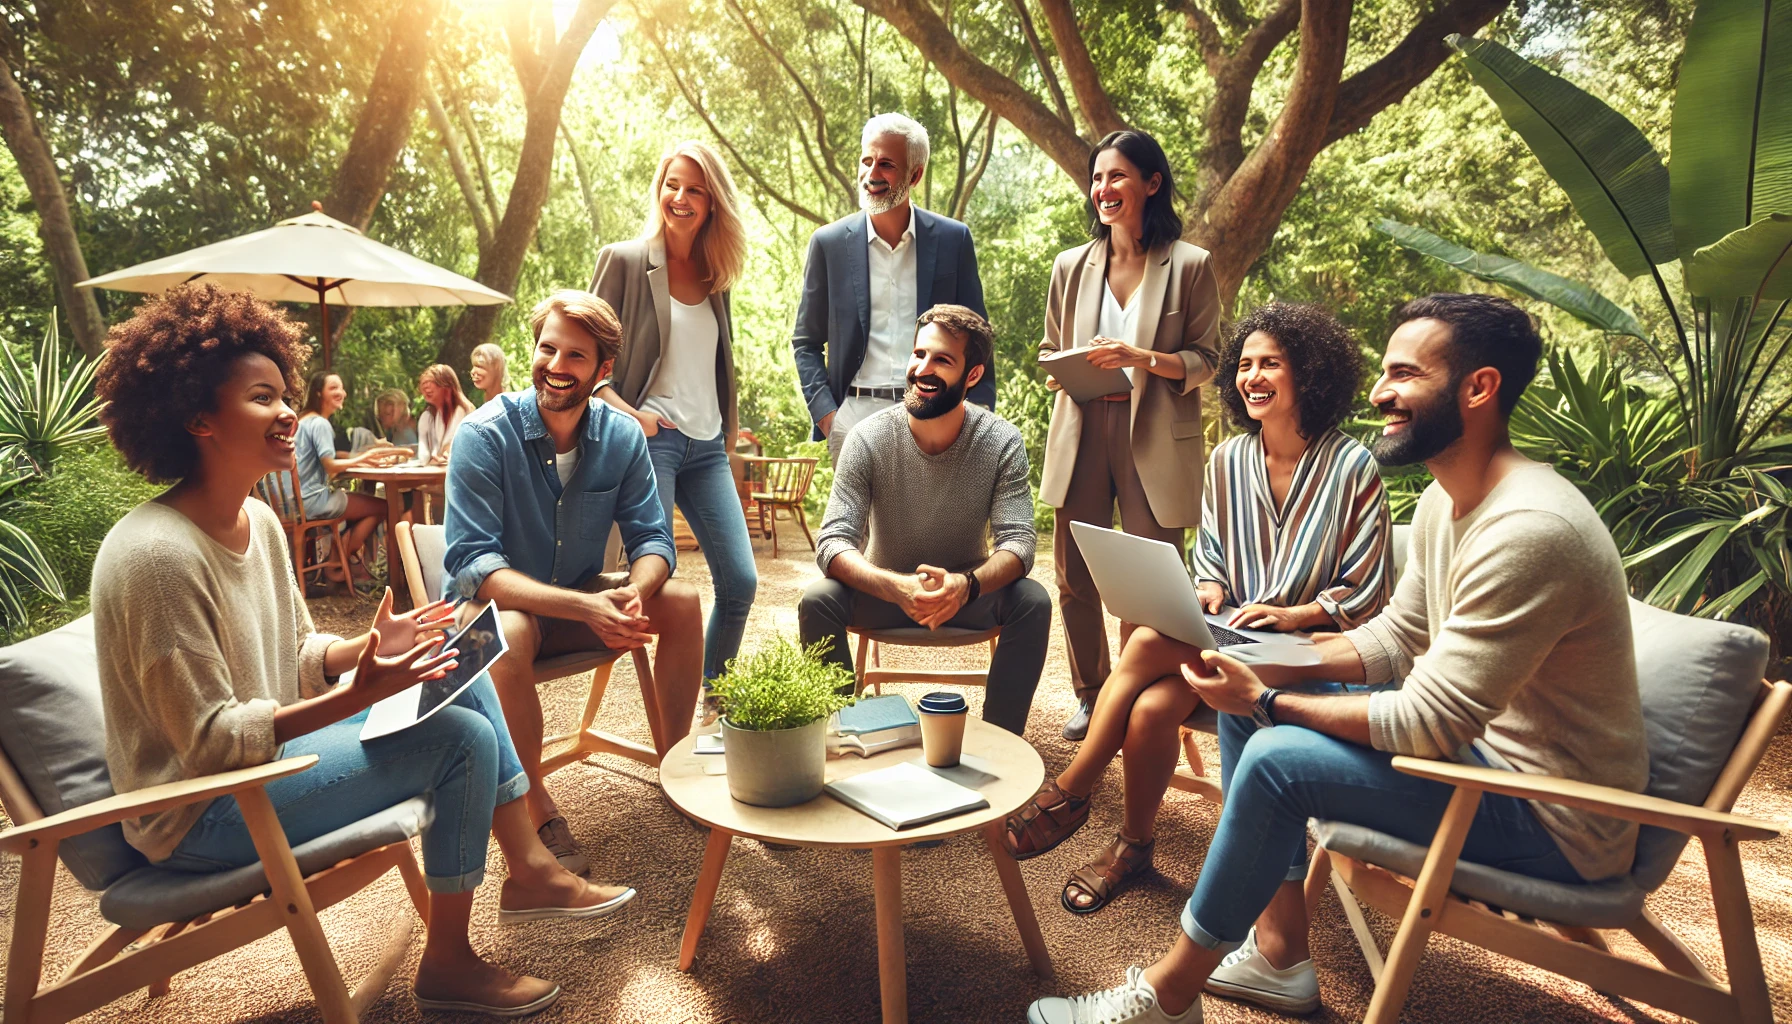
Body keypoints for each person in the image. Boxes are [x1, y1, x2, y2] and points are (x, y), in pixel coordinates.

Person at [1026, 293, 1648, 1024]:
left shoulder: (1530, 528)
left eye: (1406, 375)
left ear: (1479, 388)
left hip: (1549, 816)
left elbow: (1425, 719)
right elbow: (1390, 638)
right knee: (1251, 704)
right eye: (1384, 372)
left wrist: (1263, 697)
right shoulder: (1456, 505)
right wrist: (1258, 666)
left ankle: (1168, 996)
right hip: (1482, 766)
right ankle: (1281, 953)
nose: (1382, 393)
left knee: (1274, 753)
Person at [91, 284, 631, 1019]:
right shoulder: (156, 556)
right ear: (196, 419)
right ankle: (448, 964)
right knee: (462, 743)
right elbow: (208, 742)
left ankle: (531, 869)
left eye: (285, 393)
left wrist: (361, 650)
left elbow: (295, 650)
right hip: (203, 811)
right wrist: (355, 697)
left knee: (460, 657)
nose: (289, 412)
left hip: (263, 768)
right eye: (262, 399)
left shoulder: (254, 519)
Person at [1001, 302, 1393, 915]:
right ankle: (1132, 844)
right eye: (1244, 365)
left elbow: (1367, 590)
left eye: (1272, 364)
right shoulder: (1227, 461)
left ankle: (1074, 789)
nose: (1252, 377)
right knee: (1153, 707)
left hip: (1312, 651)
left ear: (1310, 374)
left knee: (1148, 644)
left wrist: (1294, 615)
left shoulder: (1353, 466)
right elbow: (1209, 557)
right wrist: (1207, 590)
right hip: (1224, 635)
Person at [443, 290, 705, 875]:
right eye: (547, 349)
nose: (557, 367)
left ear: (603, 369)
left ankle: (674, 766)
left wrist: (634, 595)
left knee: (681, 601)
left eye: (576, 357)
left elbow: (654, 542)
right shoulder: (483, 435)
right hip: (480, 630)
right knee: (506, 627)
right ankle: (536, 808)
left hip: (573, 605)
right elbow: (474, 568)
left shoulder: (622, 436)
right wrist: (587, 607)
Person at [1038, 129, 1221, 742]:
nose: (1103, 189)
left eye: (1116, 176)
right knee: (1075, 574)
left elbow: (1206, 360)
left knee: (1150, 579)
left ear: (1152, 182)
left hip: (1154, 435)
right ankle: (1092, 697)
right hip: (1084, 426)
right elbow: (1047, 350)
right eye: (1097, 178)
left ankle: (1133, 692)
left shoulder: (1190, 265)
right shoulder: (1070, 266)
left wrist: (1141, 357)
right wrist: (1060, 372)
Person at [800, 305, 1050, 735]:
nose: (922, 369)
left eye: (942, 360)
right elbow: (834, 541)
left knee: (1033, 601)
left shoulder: (1001, 440)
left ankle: (1004, 747)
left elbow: (1019, 543)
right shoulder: (868, 437)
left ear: (972, 376)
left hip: (967, 595)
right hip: (884, 592)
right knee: (817, 600)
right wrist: (895, 586)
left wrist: (965, 585)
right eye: (919, 355)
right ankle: (846, 736)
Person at [590, 140, 756, 711]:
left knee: (742, 582)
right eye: (671, 184)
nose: (679, 197)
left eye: (694, 189)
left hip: (707, 448)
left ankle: (716, 696)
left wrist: (728, 443)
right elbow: (585, 362)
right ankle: (668, 723)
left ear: (713, 203)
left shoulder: (716, 277)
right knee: (659, 578)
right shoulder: (626, 261)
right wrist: (632, 417)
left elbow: (716, 370)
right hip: (652, 445)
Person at [791, 112, 990, 462]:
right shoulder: (829, 243)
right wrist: (829, 417)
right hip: (852, 419)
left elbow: (978, 337)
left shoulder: (953, 239)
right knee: (856, 520)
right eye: (866, 161)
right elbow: (805, 343)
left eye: (886, 164)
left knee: (937, 519)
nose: (872, 174)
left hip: (935, 410)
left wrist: (976, 414)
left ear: (915, 174)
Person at [294, 371, 403, 581]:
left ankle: (348, 564)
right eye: (333, 388)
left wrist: (359, 457)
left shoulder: (304, 420)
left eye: (341, 387)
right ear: (319, 394)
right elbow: (331, 466)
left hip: (296, 500)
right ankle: (338, 562)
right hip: (312, 501)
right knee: (383, 507)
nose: (340, 392)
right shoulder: (320, 423)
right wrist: (366, 457)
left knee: (362, 505)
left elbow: (330, 455)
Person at [417, 363, 475, 466]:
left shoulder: (461, 411)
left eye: (431, 382)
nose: (426, 388)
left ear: (447, 386)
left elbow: (448, 449)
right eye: (423, 384)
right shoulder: (435, 414)